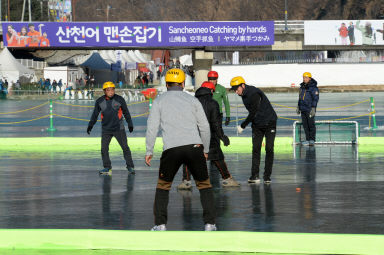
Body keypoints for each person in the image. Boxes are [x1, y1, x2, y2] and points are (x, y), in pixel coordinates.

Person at [145, 68, 216, 231]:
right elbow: (204, 127)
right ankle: (210, 224)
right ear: (183, 83)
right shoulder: (193, 100)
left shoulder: (159, 101)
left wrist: (149, 151)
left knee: (163, 186)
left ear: (166, 84)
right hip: (194, 147)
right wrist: (205, 148)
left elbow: (152, 128)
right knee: (204, 185)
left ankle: (160, 224)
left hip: (171, 149)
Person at [177, 81, 239, 190]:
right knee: (217, 157)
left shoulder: (191, 102)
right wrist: (222, 136)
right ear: (210, 91)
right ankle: (227, 178)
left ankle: (186, 181)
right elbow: (215, 123)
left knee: (188, 158)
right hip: (210, 136)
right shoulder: (212, 103)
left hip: (192, 135)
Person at [230, 76, 277, 184]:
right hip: (257, 124)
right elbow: (254, 113)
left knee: (269, 148)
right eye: (234, 90)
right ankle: (254, 175)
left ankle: (267, 176)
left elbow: (254, 111)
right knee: (256, 149)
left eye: (237, 89)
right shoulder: (243, 94)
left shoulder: (254, 93)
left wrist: (243, 125)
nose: (236, 92)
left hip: (270, 121)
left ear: (243, 85)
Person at [87, 81, 135, 175]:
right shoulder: (100, 101)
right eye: (108, 90)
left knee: (125, 147)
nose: (111, 92)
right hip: (106, 129)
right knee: (104, 149)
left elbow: (126, 112)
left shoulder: (119, 99)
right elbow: (95, 115)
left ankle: (130, 166)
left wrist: (130, 124)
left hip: (119, 128)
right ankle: (107, 167)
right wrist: (90, 125)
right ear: (104, 91)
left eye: (112, 89)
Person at [296, 72, 319, 146]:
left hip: (309, 109)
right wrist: (298, 106)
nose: (304, 79)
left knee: (311, 124)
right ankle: (307, 139)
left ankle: (312, 139)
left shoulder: (313, 87)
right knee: (305, 125)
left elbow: (315, 98)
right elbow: (300, 98)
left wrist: (313, 108)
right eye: (303, 78)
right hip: (303, 109)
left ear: (309, 78)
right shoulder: (302, 87)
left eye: (306, 78)